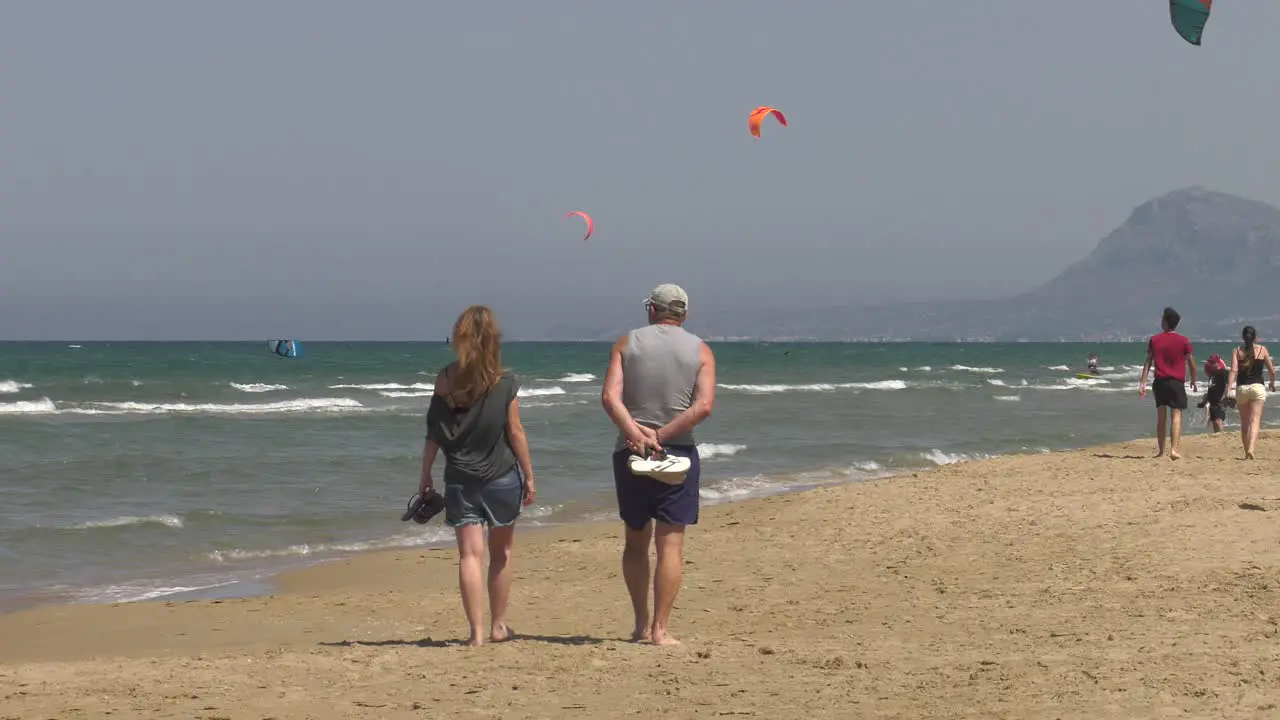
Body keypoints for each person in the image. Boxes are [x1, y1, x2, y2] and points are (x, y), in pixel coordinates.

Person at [601, 283, 716, 647]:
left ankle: (640, 624)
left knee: (636, 542)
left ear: (652, 309)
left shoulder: (625, 343)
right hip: (677, 452)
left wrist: (637, 432)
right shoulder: (701, 350)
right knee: (671, 545)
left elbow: (610, 397)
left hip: (631, 452)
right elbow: (703, 406)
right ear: (684, 314)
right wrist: (662, 435)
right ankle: (660, 630)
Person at [419, 305, 537, 646]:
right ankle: (499, 626)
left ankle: (476, 635)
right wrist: (529, 475)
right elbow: (516, 432)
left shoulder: (445, 379)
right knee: (501, 555)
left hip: (459, 479)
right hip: (502, 477)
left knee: (469, 556)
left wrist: (425, 473)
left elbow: (434, 433)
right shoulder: (506, 383)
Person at [1138, 306, 1197, 460]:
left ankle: (1160, 451)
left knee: (1161, 418)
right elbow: (1192, 364)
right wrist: (1193, 380)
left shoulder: (1155, 340)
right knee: (1176, 415)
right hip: (1176, 382)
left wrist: (1143, 382)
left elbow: (1148, 361)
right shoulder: (1183, 340)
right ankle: (1174, 450)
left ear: (1164, 322)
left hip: (1160, 382)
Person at [1226, 325, 1276, 460]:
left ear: (1243, 337)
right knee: (1255, 420)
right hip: (1257, 388)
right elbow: (1272, 371)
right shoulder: (1262, 350)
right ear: (1255, 337)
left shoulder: (1236, 351)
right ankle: (1251, 449)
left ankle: (1246, 451)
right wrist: (1271, 384)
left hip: (1242, 389)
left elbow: (1234, 371)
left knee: (1244, 422)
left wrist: (1228, 389)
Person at [1196, 354, 1230, 433]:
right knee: (1214, 421)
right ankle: (1218, 436)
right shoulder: (1212, 375)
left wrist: (1224, 397)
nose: (1210, 364)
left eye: (1212, 362)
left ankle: (1222, 436)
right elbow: (1210, 389)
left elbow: (1227, 385)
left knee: (1218, 420)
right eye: (1209, 362)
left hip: (1219, 400)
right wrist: (1204, 402)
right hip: (1213, 402)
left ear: (1217, 363)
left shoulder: (1223, 372)